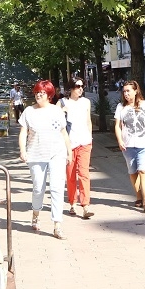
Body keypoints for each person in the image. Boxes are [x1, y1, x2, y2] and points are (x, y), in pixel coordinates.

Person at [18, 80, 72, 240]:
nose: (38, 95)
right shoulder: (29, 111)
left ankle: (57, 224)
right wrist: (23, 150)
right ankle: (35, 214)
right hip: (36, 154)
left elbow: (64, 133)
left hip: (57, 153)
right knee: (38, 188)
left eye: (41, 93)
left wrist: (69, 152)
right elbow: (23, 133)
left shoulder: (57, 111)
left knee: (56, 188)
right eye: (36, 92)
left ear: (49, 95)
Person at [114, 80, 145, 212]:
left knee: (143, 171)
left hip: (144, 144)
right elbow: (117, 126)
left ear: (135, 91)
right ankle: (139, 196)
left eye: (128, 91)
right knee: (133, 172)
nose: (126, 94)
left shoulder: (144, 105)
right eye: (124, 91)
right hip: (128, 146)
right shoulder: (121, 107)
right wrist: (120, 140)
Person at [61, 78, 94, 219]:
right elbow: (59, 126)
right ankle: (72, 202)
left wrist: (90, 137)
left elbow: (88, 121)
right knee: (70, 175)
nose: (80, 88)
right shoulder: (62, 103)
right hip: (69, 144)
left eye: (82, 86)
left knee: (84, 174)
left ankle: (85, 205)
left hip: (85, 143)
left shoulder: (86, 102)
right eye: (77, 86)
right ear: (71, 88)